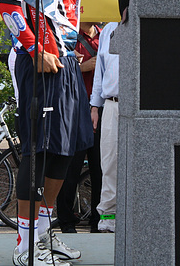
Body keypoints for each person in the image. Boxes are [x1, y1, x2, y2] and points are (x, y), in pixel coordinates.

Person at [0, 0, 121, 266]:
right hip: (39, 62)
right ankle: (26, 246)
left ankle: (43, 236)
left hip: (65, 62)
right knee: (40, 151)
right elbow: (8, 2)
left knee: (67, 152)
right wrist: (34, 48)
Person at [90, 0, 153, 234]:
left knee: (145, 164)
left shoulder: (153, 30)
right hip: (112, 105)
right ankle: (109, 219)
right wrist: (95, 106)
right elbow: (100, 72)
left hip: (144, 107)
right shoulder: (110, 30)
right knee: (110, 162)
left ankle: (143, 218)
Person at [56, 22, 102, 234]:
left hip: (101, 110)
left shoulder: (107, 34)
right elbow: (56, 67)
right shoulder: (68, 36)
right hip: (75, 110)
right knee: (70, 170)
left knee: (100, 171)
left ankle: (98, 220)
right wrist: (82, 67)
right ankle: (66, 221)